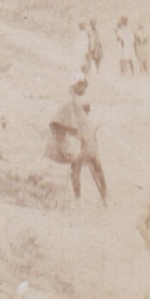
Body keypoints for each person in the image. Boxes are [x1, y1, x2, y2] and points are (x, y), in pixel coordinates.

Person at [49, 74, 107, 204]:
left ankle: (101, 193)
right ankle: (80, 198)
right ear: (77, 85)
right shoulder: (69, 100)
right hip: (79, 140)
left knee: (93, 165)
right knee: (78, 168)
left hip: (86, 138)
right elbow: (61, 119)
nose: (85, 90)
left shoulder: (75, 99)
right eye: (83, 87)